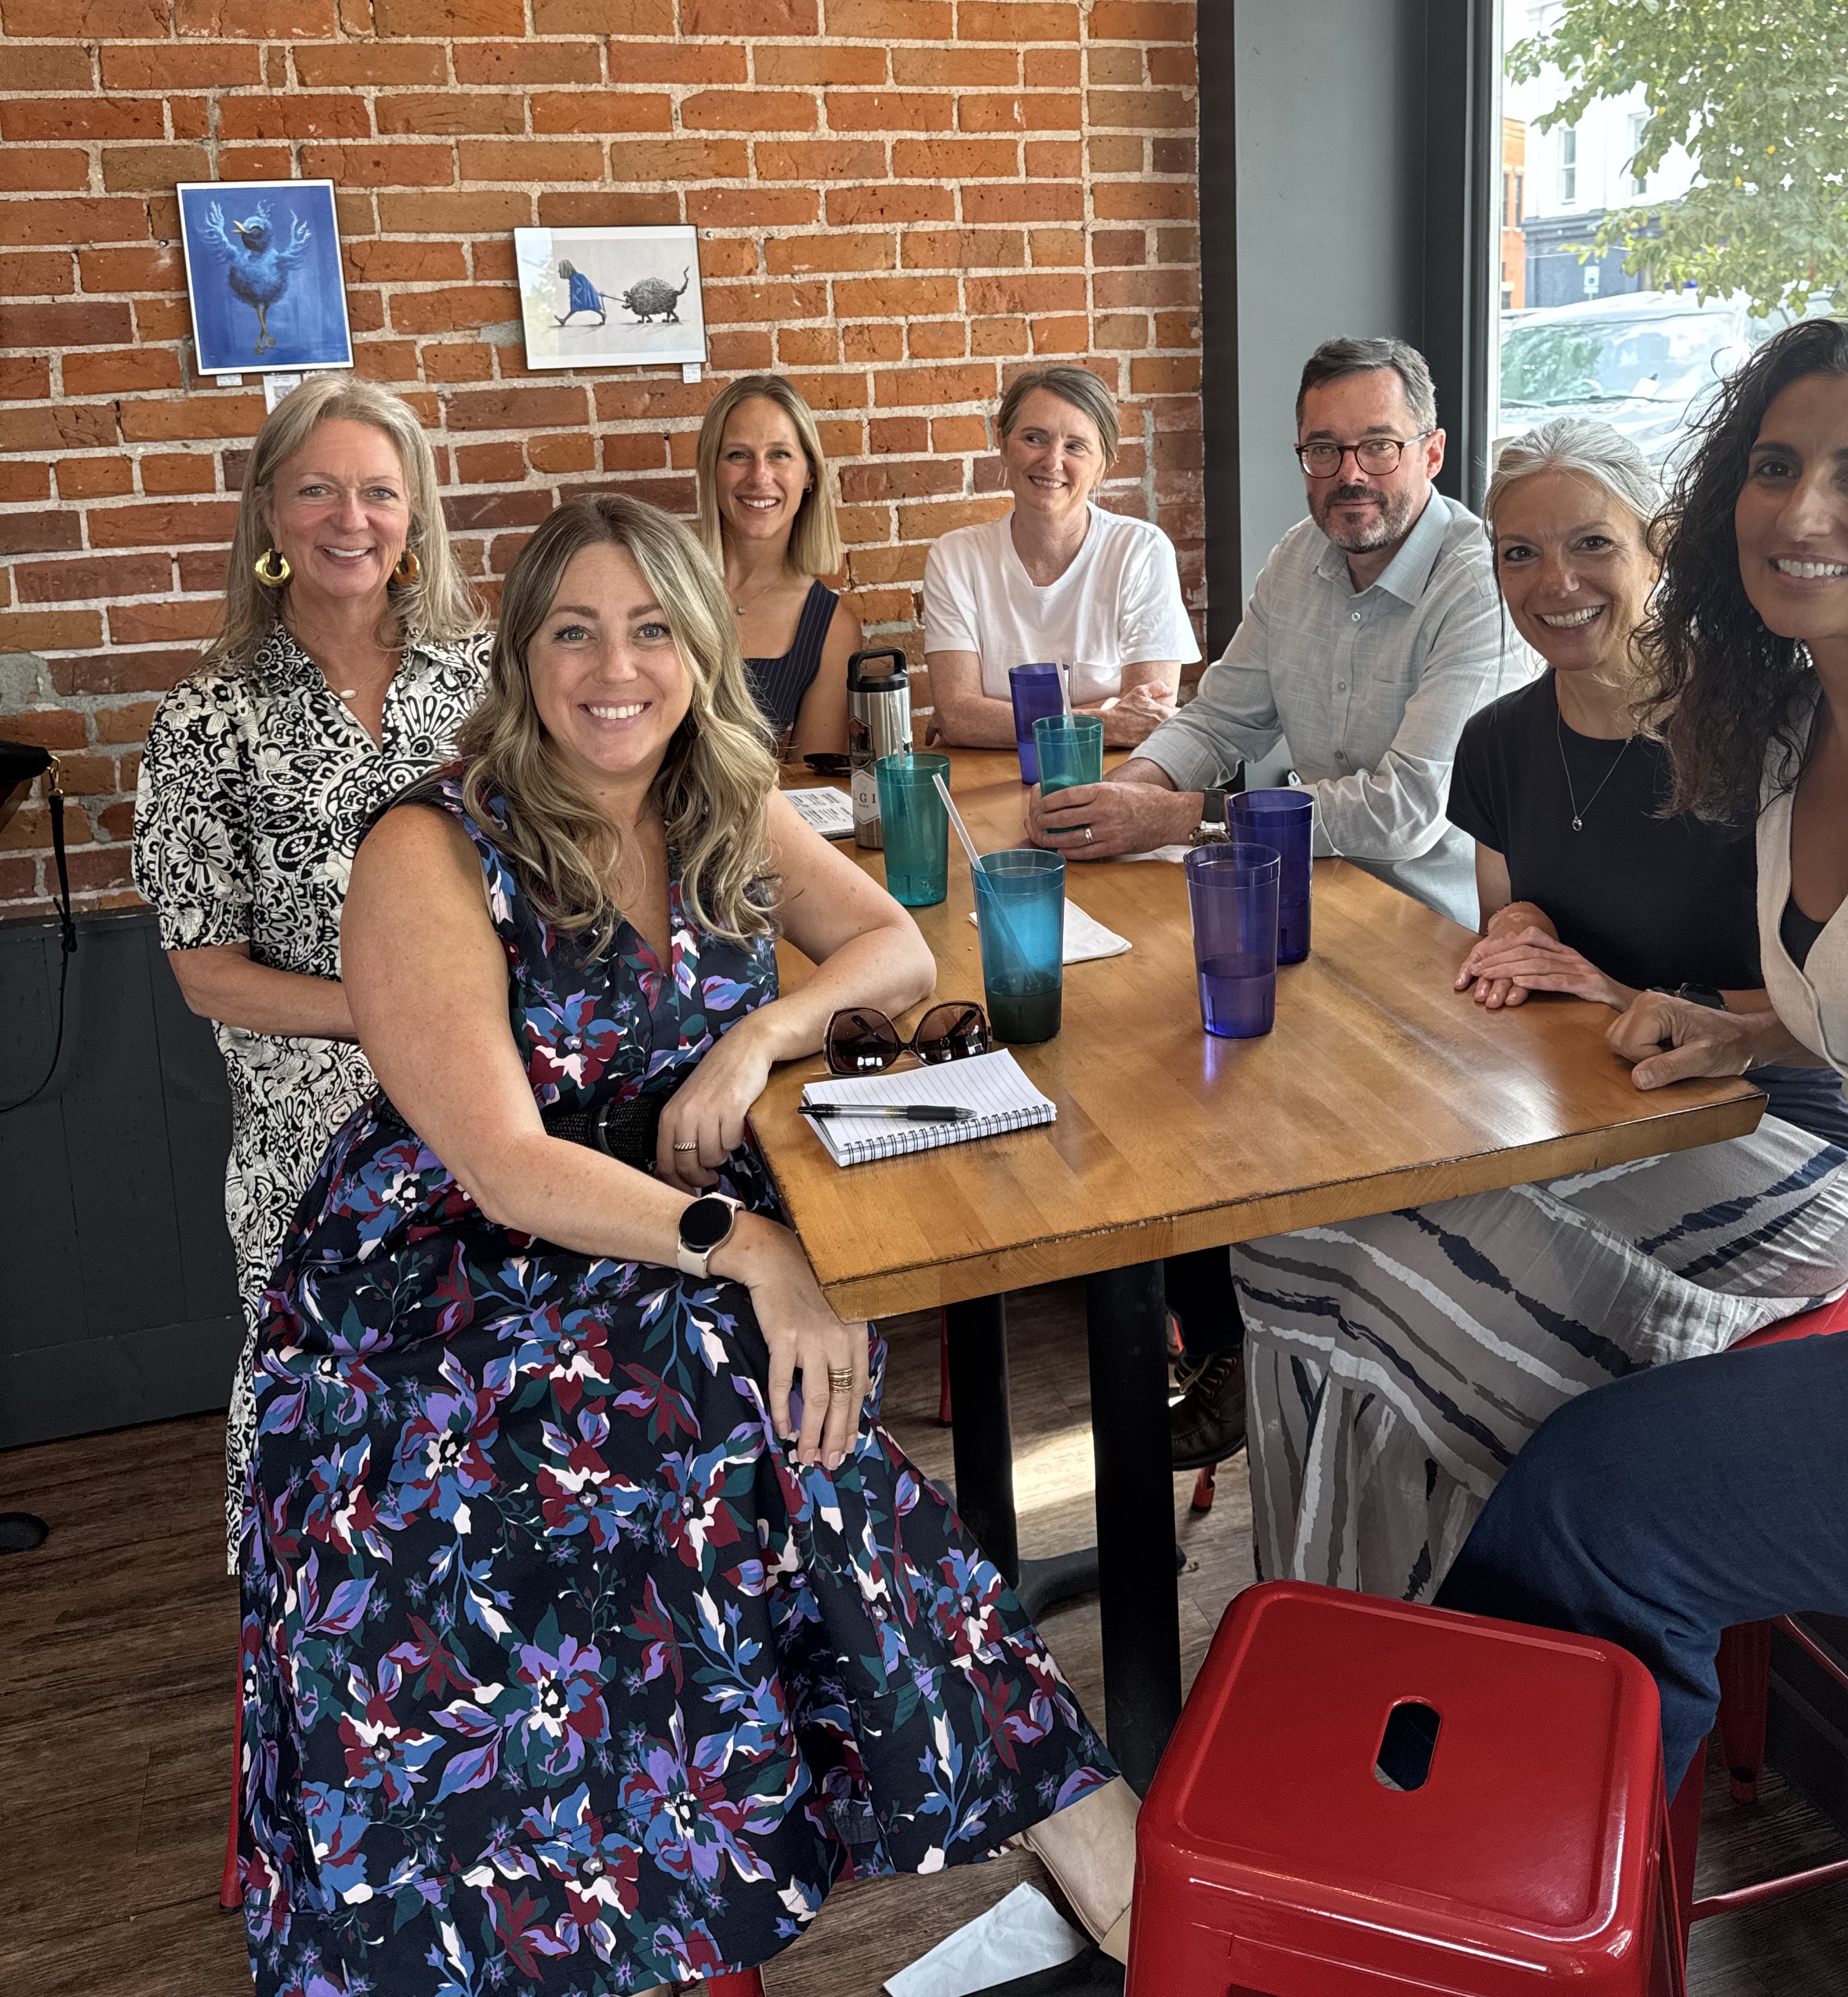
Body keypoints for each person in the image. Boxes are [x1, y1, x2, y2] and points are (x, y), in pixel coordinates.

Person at [236, 494, 1138, 1993]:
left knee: (769, 1396)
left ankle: (1029, 1843)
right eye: (575, 632)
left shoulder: (713, 793)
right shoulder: (432, 844)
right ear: (521, 657)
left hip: (657, 1248)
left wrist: (755, 1041)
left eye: (653, 630)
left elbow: (895, 946)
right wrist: (753, 1250)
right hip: (439, 1286)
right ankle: (1091, 1848)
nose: (617, 670)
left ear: (702, 651)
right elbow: (506, 1167)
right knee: (746, 1389)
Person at [1437, 318, 1848, 1997]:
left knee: (1599, 1501)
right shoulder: (1798, 737)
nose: (1806, 509)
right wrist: (1743, 1033)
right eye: (1778, 467)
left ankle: (1484, 1940)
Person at [1234, 416, 1848, 1604]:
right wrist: (1518, 935)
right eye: (1519, 554)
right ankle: (1333, 1612)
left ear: (1659, 548)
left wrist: (1628, 994)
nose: (1553, 583)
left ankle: (1462, 1621)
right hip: (1591, 1120)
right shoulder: (1500, 742)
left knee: (1414, 1288)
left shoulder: (1777, 732)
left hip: (1788, 1139)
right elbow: (1520, 944)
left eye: (1591, 545)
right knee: (1284, 1243)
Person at [1028, 333, 1537, 1468]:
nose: (1349, 474)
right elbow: (1220, 718)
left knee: (1203, 1084)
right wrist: (1126, 793)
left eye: (1376, 447)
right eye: (1323, 449)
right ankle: (1233, 1339)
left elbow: (1407, 808)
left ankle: (1262, 1348)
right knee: (1153, 1066)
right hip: (1314, 910)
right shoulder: (1297, 558)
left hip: (1440, 950)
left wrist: (1185, 818)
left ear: (1431, 452)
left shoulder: (1478, 577)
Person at [132, 371, 489, 1568]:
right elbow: (207, 973)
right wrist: (390, 1018)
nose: (352, 519)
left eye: (379, 492)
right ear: (270, 514)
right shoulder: (206, 719)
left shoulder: (487, 680)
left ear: (414, 512)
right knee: (329, 1407)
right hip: (315, 1130)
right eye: (319, 491)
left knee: (494, 1390)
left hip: (494, 1098)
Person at [923, 362, 1198, 749]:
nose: (1053, 462)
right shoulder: (956, 557)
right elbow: (958, 718)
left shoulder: (1141, 551)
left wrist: (994, 720)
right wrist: (1106, 720)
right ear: (1003, 444)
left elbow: (1147, 718)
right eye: (1034, 438)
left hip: (1109, 774)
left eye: (1075, 446)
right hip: (985, 775)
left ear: (1104, 465)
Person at [693, 371, 862, 757]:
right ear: (711, 470)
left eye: (780, 454)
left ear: (810, 474)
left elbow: (809, 781)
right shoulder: (663, 586)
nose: (759, 476)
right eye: (738, 455)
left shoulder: (831, 626)